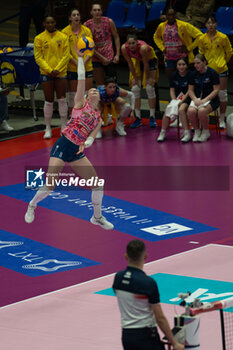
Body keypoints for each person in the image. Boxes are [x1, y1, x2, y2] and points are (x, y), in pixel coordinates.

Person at [24, 50, 113, 230]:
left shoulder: (98, 118)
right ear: (88, 96)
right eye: (92, 90)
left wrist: (86, 143)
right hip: (63, 144)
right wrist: (80, 59)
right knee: (50, 186)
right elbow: (81, 80)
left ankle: (97, 217)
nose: (94, 90)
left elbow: (92, 137)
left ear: (100, 97)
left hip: (77, 151)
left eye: (96, 89)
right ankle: (32, 205)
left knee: (97, 185)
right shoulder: (81, 103)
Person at [112, 239, 184, 350]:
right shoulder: (148, 283)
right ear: (145, 256)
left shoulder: (118, 278)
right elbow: (160, 318)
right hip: (145, 335)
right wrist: (174, 343)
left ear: (126, 256)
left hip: (127, 336)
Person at [34, 16, 70, 139]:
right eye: (47, 22)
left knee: (61, 98)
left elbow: (66, 55)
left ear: (55, 23)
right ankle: (48, 128)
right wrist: (49, 70)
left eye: (52, 22)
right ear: (44, 24)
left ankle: (64, 126)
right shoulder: (39, 38)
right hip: (46, 73)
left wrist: (57, 69)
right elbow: (38, 57)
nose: (50, 24)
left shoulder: (63, 37)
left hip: (60, 73)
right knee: (48, 100)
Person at [196, 16, 233, 128]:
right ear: (205, 25)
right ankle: (203, 118)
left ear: (216, 24)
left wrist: (222, 63)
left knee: (222, 94)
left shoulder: (223, 37)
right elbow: (201, 53)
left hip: (221, 70)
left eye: (213, 23)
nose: (211, 25)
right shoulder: (202, 38)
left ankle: (221, 119)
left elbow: (229, 52)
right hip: (208, 71)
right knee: (205, 94)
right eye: (208, 23)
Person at [153, 8, 202, 81]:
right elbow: (156, 37)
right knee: (171, 81)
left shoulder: (184, 25)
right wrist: (162, 48)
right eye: (169, 15)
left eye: (173, 15)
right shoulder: (162, 26)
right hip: (168, 56)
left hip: (181, 57)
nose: (171, 17)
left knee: (184, 81)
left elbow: (200, 36)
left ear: (175, 15)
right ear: (166, 16)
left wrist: (189, 48)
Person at [121, 34, 158, 129]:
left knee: (149, 87)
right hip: (137, 61)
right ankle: (138, 118)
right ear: (127, 44)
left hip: (149, 60)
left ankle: (152, 116)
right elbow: (130, 63)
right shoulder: (124, 48)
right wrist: (135, 78)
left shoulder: (143, 48)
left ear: (137, 43)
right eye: (129, 43)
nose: (131, 45)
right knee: (135, 88)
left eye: (133, 43)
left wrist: (148, 78)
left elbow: (146, 64)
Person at [62, 8, 94, 116]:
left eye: (78, 15)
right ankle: (73, 118)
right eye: (74, 15)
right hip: (72, 66)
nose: (76, 16)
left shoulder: (86, 31)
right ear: (70, 18)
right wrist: (77, 62)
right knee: (73, 95)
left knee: (86, 94)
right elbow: (66, 51)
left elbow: (91, 49)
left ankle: (86, 117)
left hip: (87, 66)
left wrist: (83, 62)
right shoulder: (65, 32)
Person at [84, 2, 120, 86]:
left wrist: (117, 54)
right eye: (94, 10)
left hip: (109, 56)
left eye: (99, 10)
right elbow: (88, 45)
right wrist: (101, 58)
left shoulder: (109, 21)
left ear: (101, 11)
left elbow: (116, 37)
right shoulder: (86, 25)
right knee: (100, 85)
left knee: (113, 85)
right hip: (95, 57)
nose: (97, 12)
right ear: (91, 12)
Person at [157, 57, 191, 142]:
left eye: (183, 64)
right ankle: (163, 132)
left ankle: (187, 133)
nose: (181, 67)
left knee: (182, 109)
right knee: (168, 109)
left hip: (187, 98)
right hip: (176, 98)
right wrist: (174, 100)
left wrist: (181, 101)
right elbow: (172, 90)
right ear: (176, 66)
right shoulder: (174, 75)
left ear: (186, 66)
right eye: (179, 65)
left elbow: (190, 90)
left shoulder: (190, 75)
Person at [187, 54, 220, 142]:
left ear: (204, 62)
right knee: (190, 111)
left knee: (202, 111)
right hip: (197, 99)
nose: (196, 65)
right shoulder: (193, 74)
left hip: (211, 99)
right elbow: (190, 90)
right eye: (195, 63)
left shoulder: (212, 73)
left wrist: (205, 100)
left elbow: (216, 90)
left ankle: (205, 131)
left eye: (198, 63)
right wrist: (194, 99)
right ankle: (197, 131)